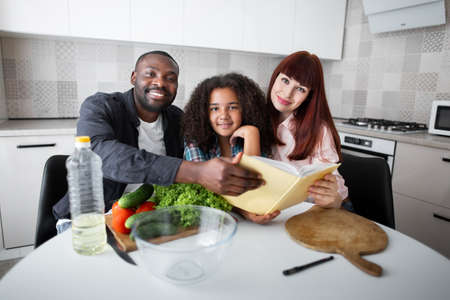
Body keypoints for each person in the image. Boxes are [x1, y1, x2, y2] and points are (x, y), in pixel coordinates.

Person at [53, 51, 264, 221]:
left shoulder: (178, 120)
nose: (160, 83)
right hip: (92, 221)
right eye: (150, 74)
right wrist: (197, 172)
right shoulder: (101, 106)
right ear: (133, 77)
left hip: (154, 218)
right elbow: (99, 155)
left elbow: (211, 155)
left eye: (170, 78)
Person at [239, 50, 349, 224]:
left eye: (300, 89)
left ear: (308, 96)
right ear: (275, 77)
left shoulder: (319, 130)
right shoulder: (255, 116)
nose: (287, 94)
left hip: (304, 216)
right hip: (261, 214)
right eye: (285, 80)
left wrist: (334, 198)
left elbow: (337, 188)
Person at [182, 72, 275, 161]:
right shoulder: (195, 140)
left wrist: (251, 134)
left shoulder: (256, 136)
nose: (224, 116)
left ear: (247, 109)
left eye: (232, 107)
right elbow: (201, 177)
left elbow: (255, 175)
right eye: (215, 109)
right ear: (203, 112)